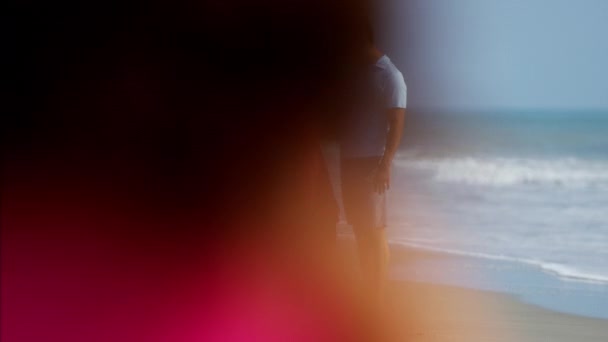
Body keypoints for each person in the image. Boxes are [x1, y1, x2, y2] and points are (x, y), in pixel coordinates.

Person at [340, 24, 407, 302]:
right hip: (349, 161)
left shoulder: (390, 76)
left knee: (375, 232)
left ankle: (377, 302)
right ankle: (369, 294)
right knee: (359, 229)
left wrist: (386, 163)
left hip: (372, 163)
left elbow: (397, 123)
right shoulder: (354, 73)